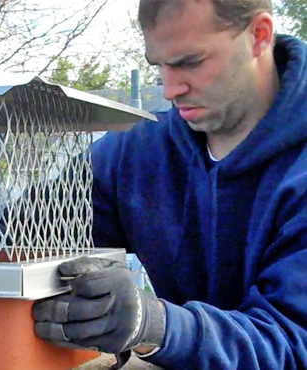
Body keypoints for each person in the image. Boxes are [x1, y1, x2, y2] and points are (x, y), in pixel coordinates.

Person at [33, 0, 307, 368]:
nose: (169, 89)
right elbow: (19, 229)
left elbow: (293, 345)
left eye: (189, 62)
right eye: (159, 66)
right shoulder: (138, 153)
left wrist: (155, 325)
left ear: (259, 35)